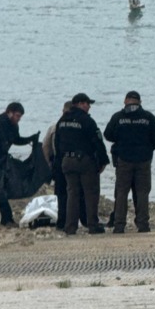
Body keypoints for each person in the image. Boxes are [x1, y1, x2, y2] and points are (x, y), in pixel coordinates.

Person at [104, 90, 155, 233]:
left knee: (121, 193)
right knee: (142, 192)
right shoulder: (148, 117)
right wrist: (149, 148)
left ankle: (119, 225)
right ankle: (143, 225)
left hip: (123, 160)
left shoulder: (118, 117)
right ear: (140, 102)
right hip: (143, 160)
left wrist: (121, 141)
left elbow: (108, 134)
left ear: (125, 101)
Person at [54, 93, 110, 235]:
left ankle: (70, 227)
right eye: (87, 103)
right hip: (84, 161)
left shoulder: (62, 120)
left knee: (72, 194)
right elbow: (97, 141)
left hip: (67, 160)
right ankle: (92, 225)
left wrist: (59, 161)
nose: (89, 106)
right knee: (90, 193)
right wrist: (103, 160)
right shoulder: (86, 120)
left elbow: (57, 142)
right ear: (79, 104)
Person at [43, 101, 87, 231]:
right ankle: (82, 219)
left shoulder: (55, 127)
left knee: (61, 194)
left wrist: (49, 164)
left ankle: (62, 222)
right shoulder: (80, 124)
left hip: (59, 162)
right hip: (76, 161)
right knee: (77, 192)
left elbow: (45, 147)